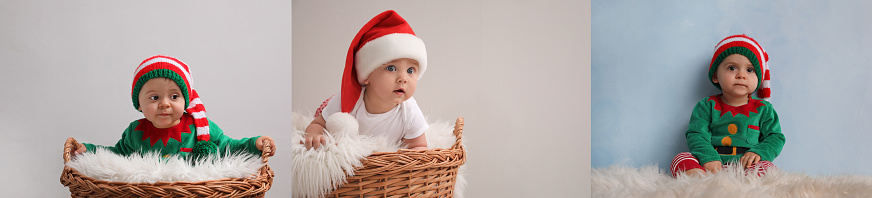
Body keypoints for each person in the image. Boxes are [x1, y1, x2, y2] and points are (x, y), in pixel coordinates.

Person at [71, 55, 276, 159]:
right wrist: (87, 150)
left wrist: (254, 143)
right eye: (154, 97)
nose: (164, 103)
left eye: (174, 96)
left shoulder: (199, 128)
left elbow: (227, 146)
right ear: (139, 105)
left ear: (185, 101)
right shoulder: (135, 132)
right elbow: (115, 155)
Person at [304, 10, 429, 150]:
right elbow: (317, 124)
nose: (403, 79)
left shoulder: (409, 111)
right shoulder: (348, 101)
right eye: (391, 68)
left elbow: (419, 146)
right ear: (367, 75)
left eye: (410, 70)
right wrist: (315, 135)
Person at [670, 35, 785, 177]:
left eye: (750, 70)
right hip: (712, 167)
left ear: (758, 79)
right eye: (732, 68)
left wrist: (759, 152)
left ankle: (747, 188)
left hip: (746, 167)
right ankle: (702, 183)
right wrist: (708, 157)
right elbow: (697, 135)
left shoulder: (764, 109)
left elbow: (775, 137)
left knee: (768, 167)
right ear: (715, 76)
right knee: (680, 159)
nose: (741, 75)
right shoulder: (706, 106)